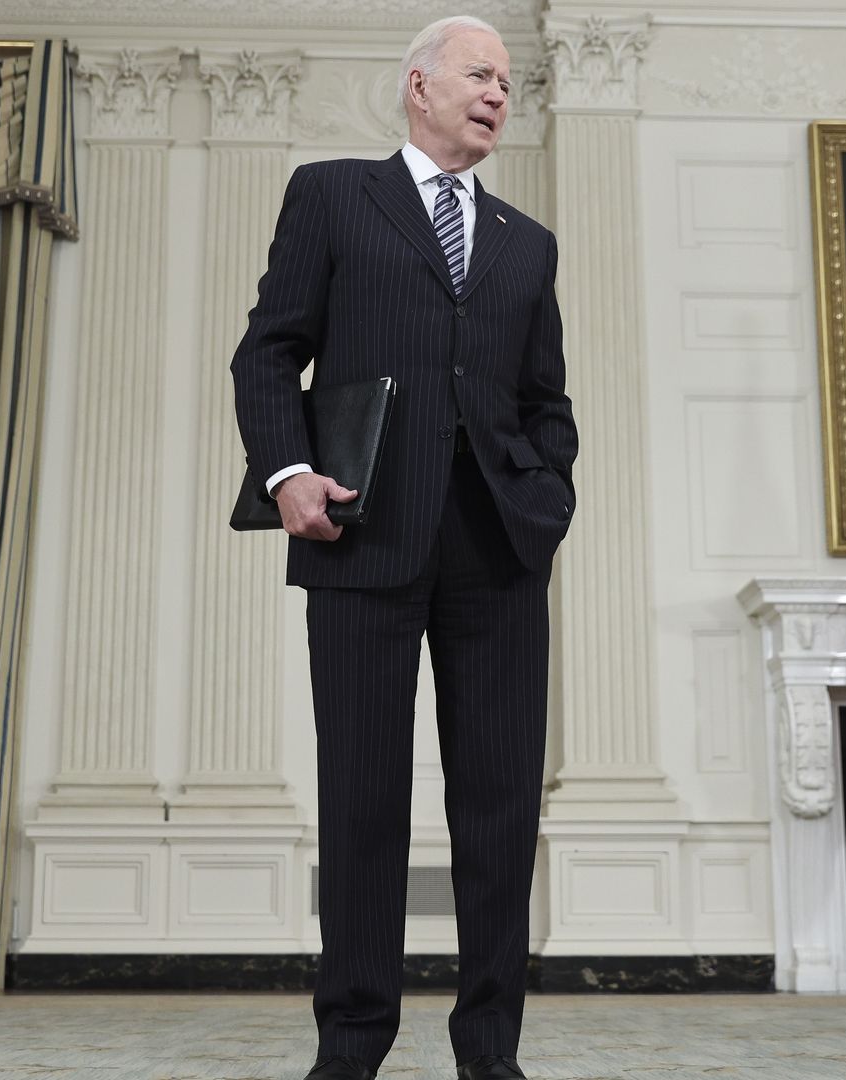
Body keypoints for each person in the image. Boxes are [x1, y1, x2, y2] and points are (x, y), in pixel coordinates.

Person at [229, 15, 576, 1080]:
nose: (499, 93)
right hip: (360, 532)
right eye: (480, 74)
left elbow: (544, 400)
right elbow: (268, 351)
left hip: (499, 551)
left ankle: (490, 1051)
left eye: (509, 81)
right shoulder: (334, 194)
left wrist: (548, 494)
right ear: (417, 86)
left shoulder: (527, 240)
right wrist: (288, 476)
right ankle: (352, 1045)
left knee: (501, 808)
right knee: (365, 799)